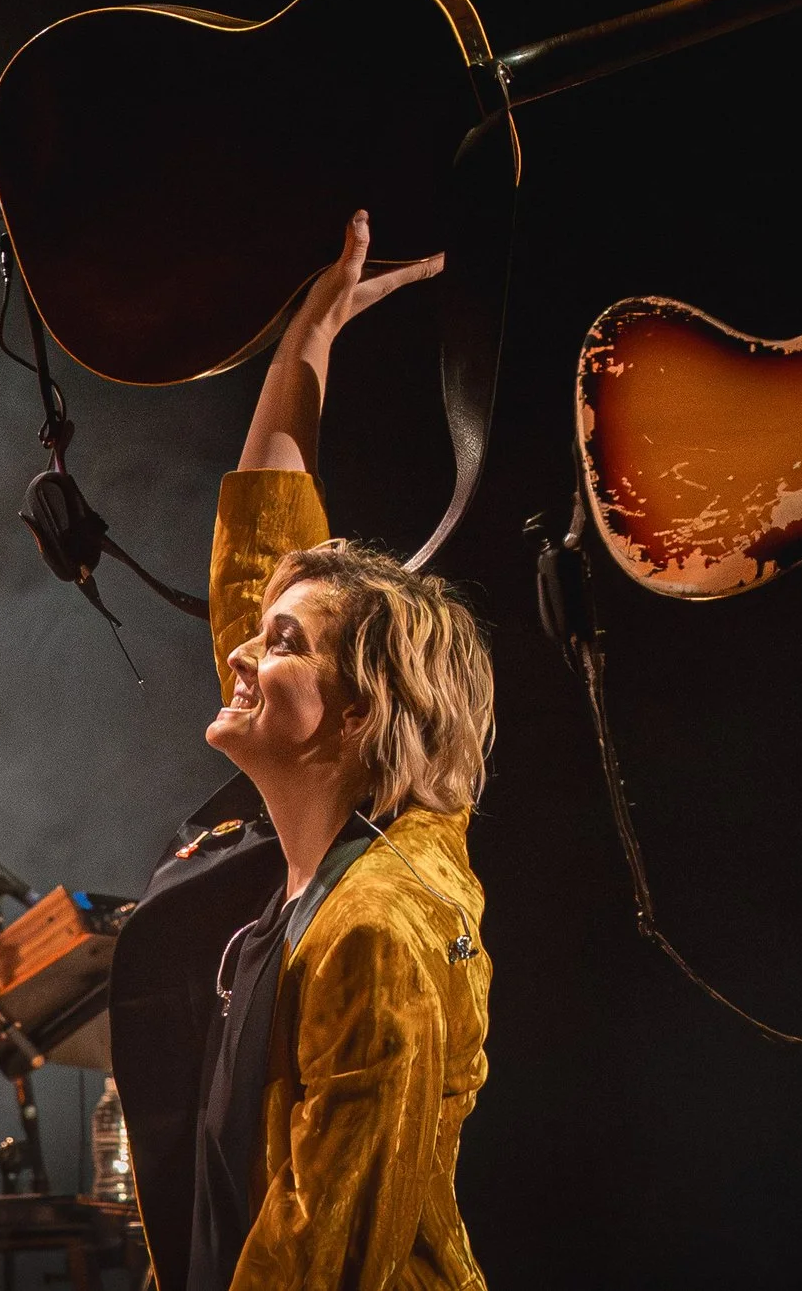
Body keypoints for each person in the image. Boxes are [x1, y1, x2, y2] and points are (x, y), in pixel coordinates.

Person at [108, 211, 497, 1291]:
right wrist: (303, 348)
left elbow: (322, 1258)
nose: (237, 648)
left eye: (282, 645)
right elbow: (261, 564)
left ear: (361, 711)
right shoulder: (327, 856)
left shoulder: (379, 925)